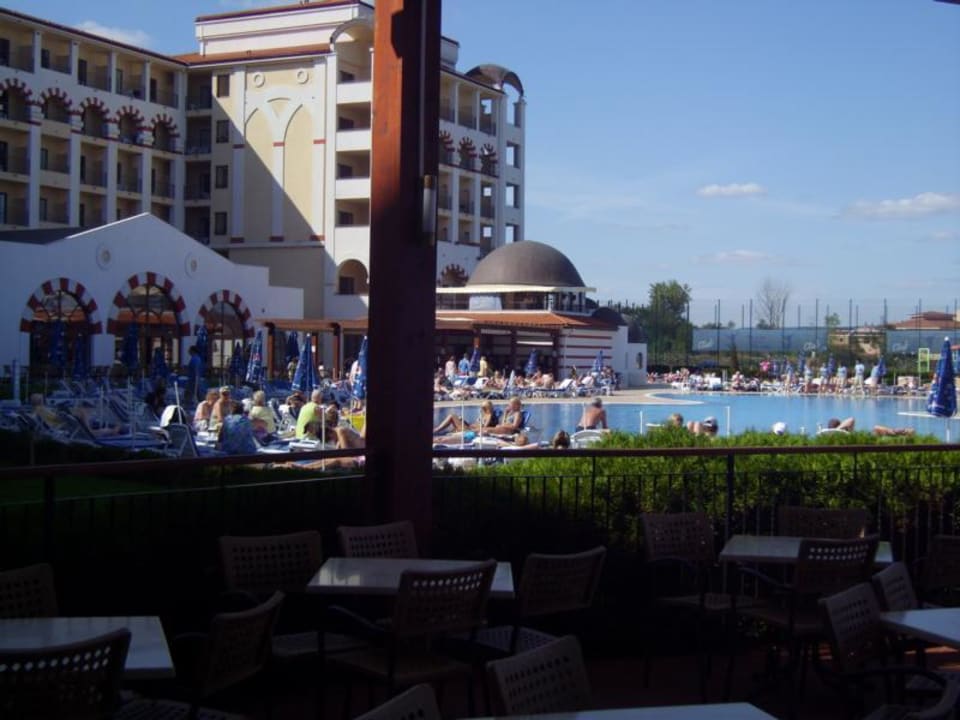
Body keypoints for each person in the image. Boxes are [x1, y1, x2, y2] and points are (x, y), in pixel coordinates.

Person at [433, 400, 498, 435]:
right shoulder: (485, 415)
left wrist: (473, 426)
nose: (482, 409)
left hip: (470, 431)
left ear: (487, 408)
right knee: (455, 418)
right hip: (469, 428)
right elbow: (477, 425)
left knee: (452, 416)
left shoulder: (489, 415)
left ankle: (436, 430)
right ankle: (437, 430)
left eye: (483, 407)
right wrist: (465, 422)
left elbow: (484, 427)